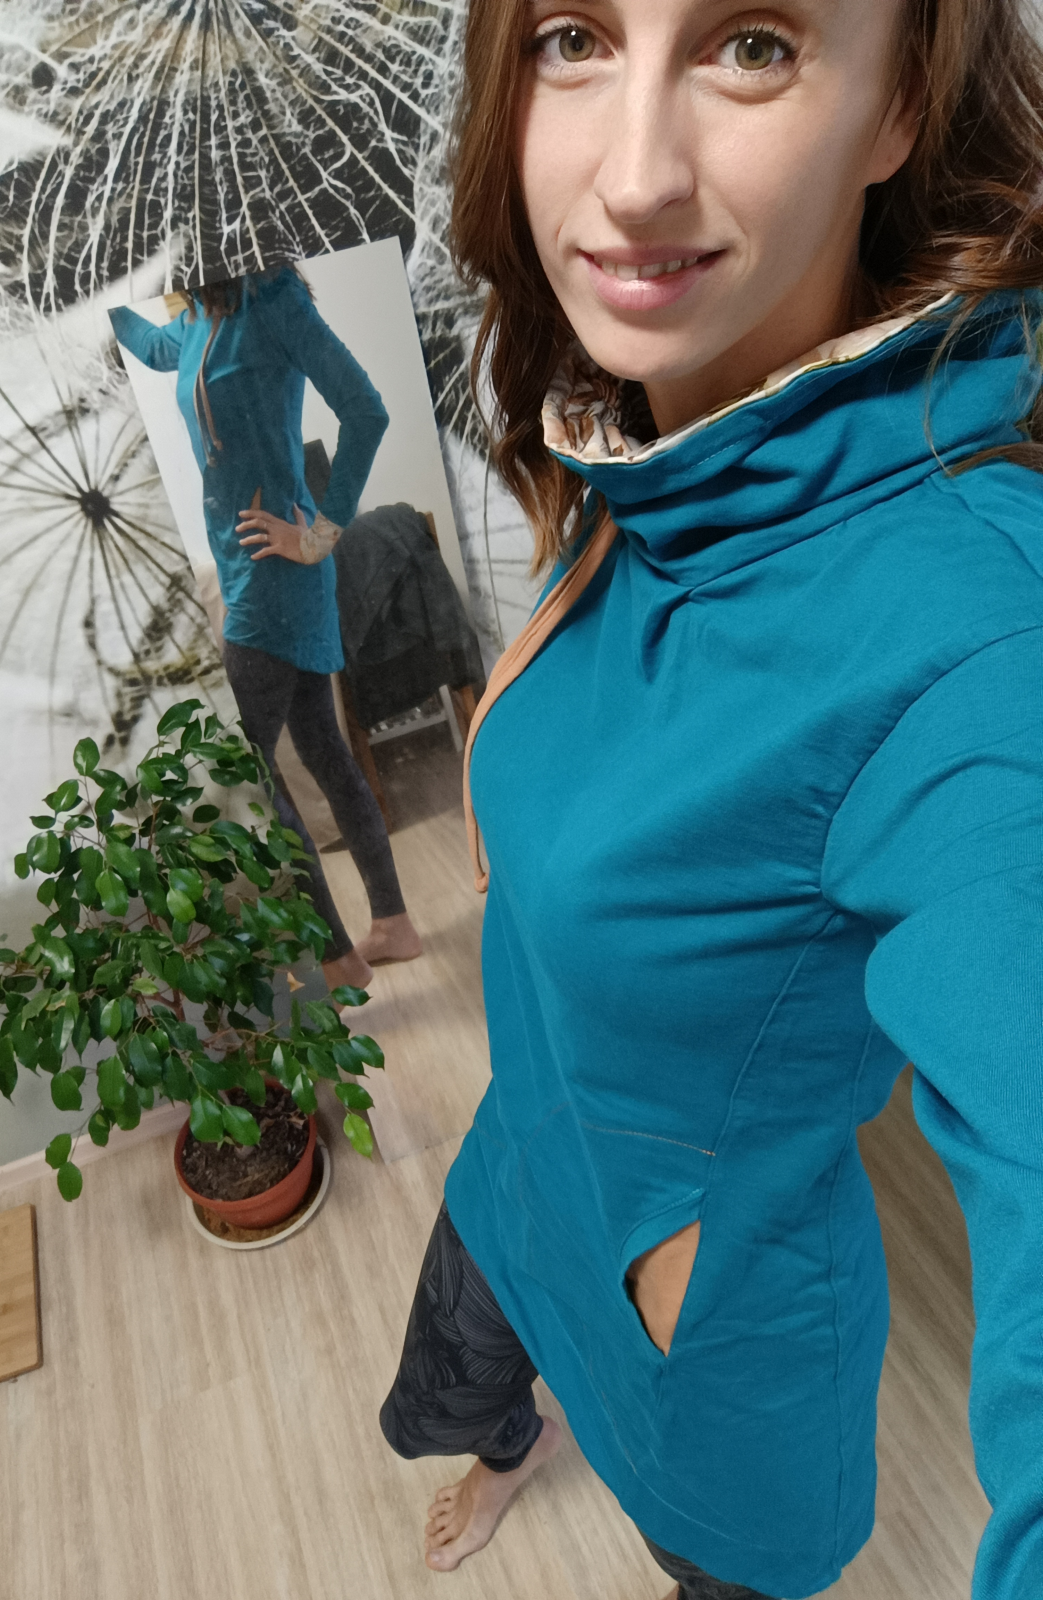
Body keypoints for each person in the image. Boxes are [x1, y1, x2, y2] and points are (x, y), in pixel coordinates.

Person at [379, 0, 1043, 1595]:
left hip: (696, 1349)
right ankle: (506, 1444)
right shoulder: (648, 434)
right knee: (456, 1385)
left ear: (901, 106)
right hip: (523, 1160)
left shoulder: (978, 644)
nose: (633, 179)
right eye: (574, 37)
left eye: (754, 43)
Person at [109, 268, 422, 991]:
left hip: (276, 576)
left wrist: (320, 534)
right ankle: (392, 926)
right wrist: (97, 303)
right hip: (246, 571)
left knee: (247, 772)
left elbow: (366, 411)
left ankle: (339, 960)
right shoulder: (193, 318)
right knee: (322, 748)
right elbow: (155, 349)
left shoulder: (272, 299)